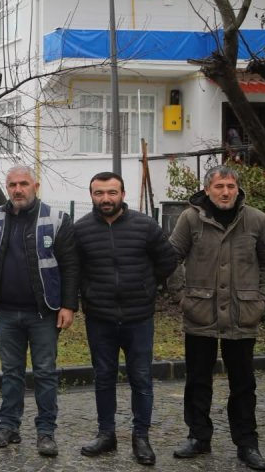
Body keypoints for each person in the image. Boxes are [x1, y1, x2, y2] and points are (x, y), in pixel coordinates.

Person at [169, 165, 265, 470]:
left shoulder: (257, 220)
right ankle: (198, 436)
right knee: (198, 380)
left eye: (230, 186)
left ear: (238, 189)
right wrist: (181, 297)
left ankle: (247, 443)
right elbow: (170, 257)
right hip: (200, 312)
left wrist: (262, 298)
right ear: (207, 189)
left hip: (243, 313)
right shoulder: (191, 219)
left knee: (243, 383)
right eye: (219, 187)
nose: (225, 192)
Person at [73, 171, 177, 466]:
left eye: (112, 192)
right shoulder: (81, 230)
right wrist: (87, 293)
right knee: (103, 378)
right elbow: (75, 269)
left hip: (138, 318)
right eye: (99, 193)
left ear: (123, 194)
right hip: (100, 318)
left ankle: (140, 438)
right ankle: (106, 434)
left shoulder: (145, 226)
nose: (106, 199)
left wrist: (145, 286)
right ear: (91, 195)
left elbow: (167, 260)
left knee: (141, 379)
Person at [0, 166, 78, 457]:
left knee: (46, 374)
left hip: (43, 312)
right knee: (11, 373)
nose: (18, 189)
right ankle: (8, 427)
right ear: (7, 187)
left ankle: (46, 432)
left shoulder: (57, 218)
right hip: (7, 312)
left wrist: (69, 305)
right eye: (12, 184)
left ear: (35, 186)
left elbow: (71, 266)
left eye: (23, 183)